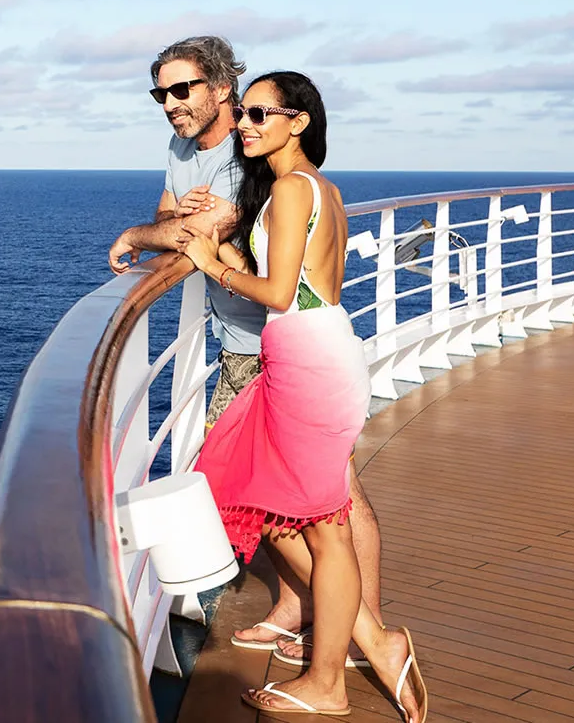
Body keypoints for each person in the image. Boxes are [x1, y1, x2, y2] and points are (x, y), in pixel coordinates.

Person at [109, 35, 387, 670]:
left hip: (277, 346)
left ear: (222, 91)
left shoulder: (249, 155)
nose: (170, 103)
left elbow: (199, 233)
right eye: (161, 92)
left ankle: (360, 631)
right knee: (299, 497)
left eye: (183, 90)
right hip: (252, 345)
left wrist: (143, 234)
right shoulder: (185, 148)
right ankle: (312, 611)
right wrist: (175, 227)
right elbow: (174, 218)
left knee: (322, 498)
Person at [180, 71, 427, 721]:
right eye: (244, 114)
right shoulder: (321, 188)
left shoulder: (292, 190)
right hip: (314, 353)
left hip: (309, 359)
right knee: (252, 490)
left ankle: (332, 681)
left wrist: (213, 264)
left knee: (321, 529)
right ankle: (374, 641)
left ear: (300, 121)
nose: (246, 125)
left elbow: (280, 292)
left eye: (261, 113)